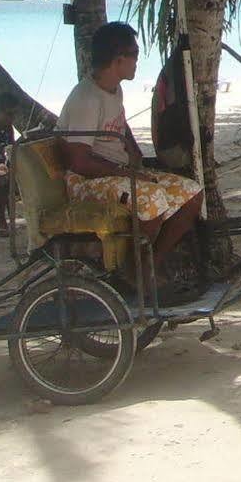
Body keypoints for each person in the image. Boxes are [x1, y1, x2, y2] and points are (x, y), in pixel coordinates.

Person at [56, 22, 204, 285]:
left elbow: (120, 126)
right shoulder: (86, 99)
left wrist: (135, 155)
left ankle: (148, 262)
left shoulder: (115, 90)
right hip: (86, 182)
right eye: (134, 55)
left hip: (117, 174)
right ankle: (133, 267)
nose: (137, 61)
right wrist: (125, 173)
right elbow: (77, 160)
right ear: (118, 59)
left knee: (192, 193)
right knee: (153, 198)